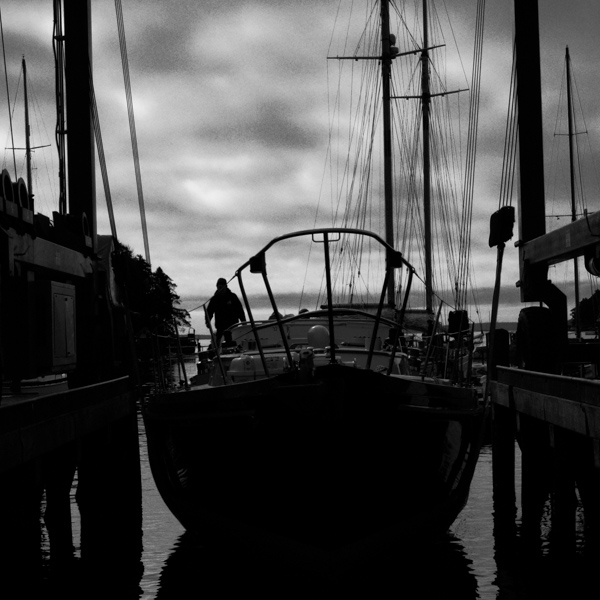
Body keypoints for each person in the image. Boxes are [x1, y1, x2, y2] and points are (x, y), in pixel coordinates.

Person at [206, 278, 246, 345]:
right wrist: (207, 321)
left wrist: (243, 321)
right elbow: (209, 311)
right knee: (219, 342)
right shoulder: (214, 299)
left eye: (221, 287)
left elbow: (239, 309)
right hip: (220, 326)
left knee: (233, 342)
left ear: (225, 286)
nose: (220, 289)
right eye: (219, 287)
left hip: (233, 325)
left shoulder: (232, 297)